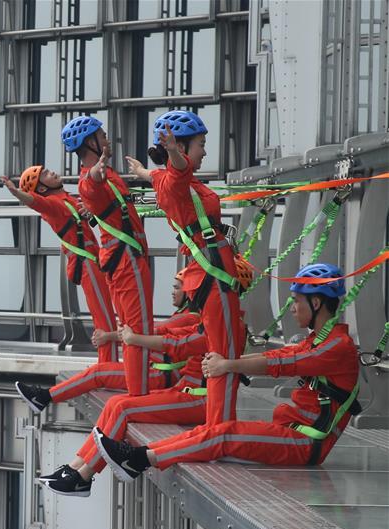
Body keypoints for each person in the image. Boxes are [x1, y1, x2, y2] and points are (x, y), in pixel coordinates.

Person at [93, 263, 361, 482]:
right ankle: (137, 455)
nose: (292, 308)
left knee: (222, 435)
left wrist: (228, 365)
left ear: (316, 303)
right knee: (214, 431)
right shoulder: (320, 339)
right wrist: (230, 363)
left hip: (305, 443)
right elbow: (280, 356)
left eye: (296, 301)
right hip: (290, 431)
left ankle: (138, 460)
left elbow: (281, 363)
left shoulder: (337, 346)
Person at [125, 110, 247, 426]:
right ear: (182, 147)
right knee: (224, 354)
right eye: (200, 144)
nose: (205, 151)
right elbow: (176, 172)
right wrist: (174, 153)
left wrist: (141, 172)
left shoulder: (171, 180)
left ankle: (219, 425)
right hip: (213, 274)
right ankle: (219, 427)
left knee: (223, 351)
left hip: (209, 273)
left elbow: (160, 176)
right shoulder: (177, 181)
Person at [36, 275, 209, 496]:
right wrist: (131, 333)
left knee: (121, 406)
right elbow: (172, 335)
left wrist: (131, 337)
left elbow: (175, 341)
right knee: (116, 402)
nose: (177, 291)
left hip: (195, 398)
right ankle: (74, 467)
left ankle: (84, 475)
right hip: (183, 390)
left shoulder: (208, 324)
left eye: (183, 288)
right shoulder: (205, 322)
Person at [14, 269, 199, 413]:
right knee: (99, 373)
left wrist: (107, 336)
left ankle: (44, 397)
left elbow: (143, 333)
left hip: (157, 376)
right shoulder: (183, 316)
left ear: (189, 292)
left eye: (177, 287)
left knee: (98, 374)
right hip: (154, 371)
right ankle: (44, 396)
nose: (173, 292)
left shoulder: (188, 318)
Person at [63, 115, 154, 396]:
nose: (107, 138)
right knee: (139, 330)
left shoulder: (110, 175)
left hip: (120, 260)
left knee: (131, 329)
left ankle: (133, 389)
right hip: (126, 260)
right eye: (101, 135)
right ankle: (138, 396)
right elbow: (89, 185)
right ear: (89, 143)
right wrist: (95, 173)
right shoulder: (93, 178)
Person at [1, 166, 118, 364]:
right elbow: (36, 202)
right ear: (43, 188)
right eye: (46, 174)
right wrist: (16, 193)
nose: (52, 172)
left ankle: (110, 365)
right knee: (104, 319)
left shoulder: (68, 198)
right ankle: (108, 367)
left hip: (97, 260)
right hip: (88, 264)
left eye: (48, 170)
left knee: (109, 316)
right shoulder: (52, 204)